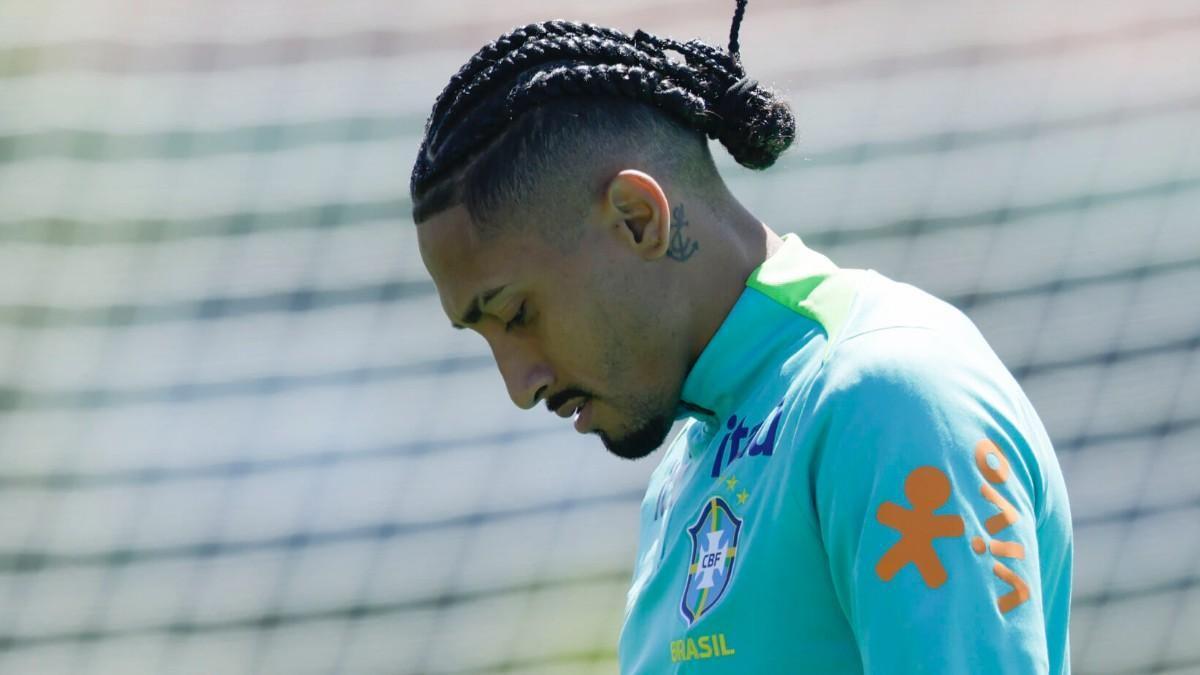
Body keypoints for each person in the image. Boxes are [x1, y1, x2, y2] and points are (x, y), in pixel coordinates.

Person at [409, 1, 1072, 672]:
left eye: (517, 314)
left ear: (638, 219)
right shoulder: (690, 462)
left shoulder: (889, 396)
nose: (519, 385)